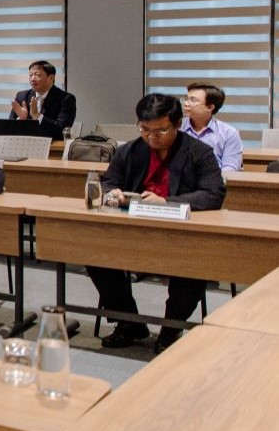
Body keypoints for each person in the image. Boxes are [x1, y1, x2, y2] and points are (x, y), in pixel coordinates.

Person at [93, 93, 225, 353]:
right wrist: (113, 193)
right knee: (94, 253)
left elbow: (213, 193)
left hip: (181, 233)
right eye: (145, 129)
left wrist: (167, 202)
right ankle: (128, 322)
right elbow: (108, 181)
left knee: (194, 265)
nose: (152, 136)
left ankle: (169, 328)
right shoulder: (129, 150)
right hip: (131, 228)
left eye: (161, 130)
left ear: (177, 124)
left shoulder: (199, 152)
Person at [181, 82, 243, 173]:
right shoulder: (175, 128)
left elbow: (230, 168)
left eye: (193, 100)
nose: (186, 103)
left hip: (213, 183)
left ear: (210, 107)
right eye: (186, 98)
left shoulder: (229, 133)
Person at [7, 60, 77, 136]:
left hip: (52, 146)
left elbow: (62, 130)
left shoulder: (66, 99)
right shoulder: (22, 96)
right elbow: (8, 129)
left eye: (38, 75)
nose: (32, 79)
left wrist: (37, 116)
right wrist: (22, 120)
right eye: (30, 75)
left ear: (51, 78)